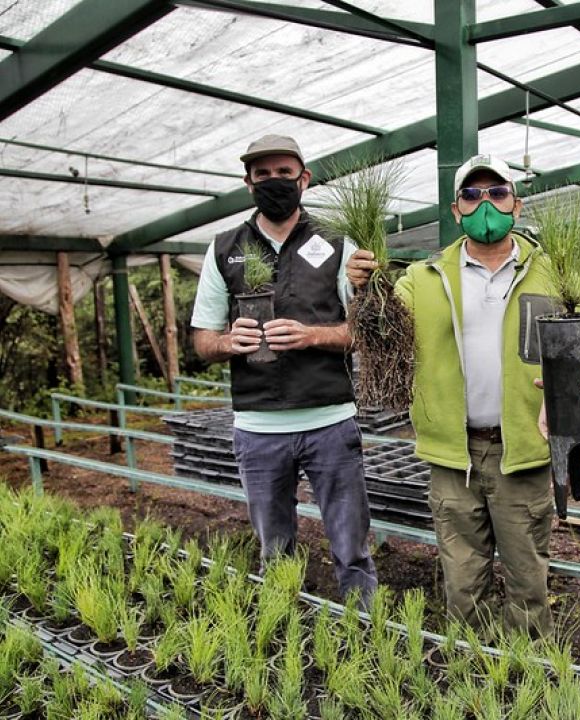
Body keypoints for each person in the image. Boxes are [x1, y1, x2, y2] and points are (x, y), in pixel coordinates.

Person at [346, 154, 555, 637]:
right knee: (462, 581)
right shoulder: (423, 278)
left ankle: (525, 677)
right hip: (452, 454)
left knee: (528, 580)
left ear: (516, 205)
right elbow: (378, 335)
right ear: (456, 210)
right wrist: (363, 288)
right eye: (472, 195)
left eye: (497, 193)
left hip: (523, 449)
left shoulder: (550, 274)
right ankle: (474, 674)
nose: (486, 204)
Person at [190, 134, 377, 603]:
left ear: (304, 179)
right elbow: (201, 339)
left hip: (330, 422)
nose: (274, 182)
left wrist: (314, 334)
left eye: (284, 173)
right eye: (263, 174)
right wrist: (229, 342)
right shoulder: (223, 249)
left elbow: (363, 331)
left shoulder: (336, 241)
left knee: (351, 547)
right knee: (274, 547)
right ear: (249, 182)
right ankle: (285, 625)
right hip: (257, 428)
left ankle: (364, 625)